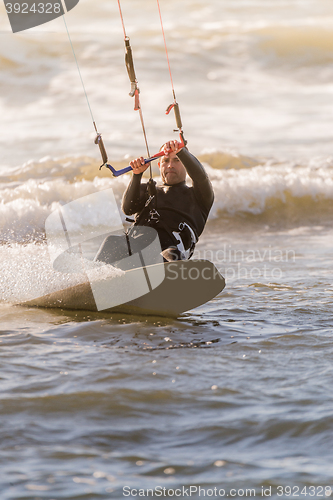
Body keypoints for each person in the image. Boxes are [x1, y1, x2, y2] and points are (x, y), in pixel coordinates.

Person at [121, 140, 214, 261]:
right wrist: (137, 175)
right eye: (165, 160)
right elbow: (128, 209)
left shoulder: (198, 196)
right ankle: (93, 278)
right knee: (111, 242)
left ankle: (177, 276)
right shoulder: (147, 190)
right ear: (159, 165)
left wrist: (182, 152)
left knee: (172, 254)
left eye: (177, 160)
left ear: (186, 164)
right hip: (137, 248)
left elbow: (201, 177)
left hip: (170, 252)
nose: (170, 165)